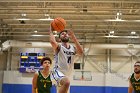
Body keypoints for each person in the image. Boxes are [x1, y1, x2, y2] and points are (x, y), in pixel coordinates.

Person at [49, 26, 83, 93]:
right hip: (57, 73)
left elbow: (81, 52)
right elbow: (52, 42)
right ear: (59, 39)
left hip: (67, 75)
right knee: (67, 82)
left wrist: (74, 37)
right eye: (62, 34)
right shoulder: (59, 47)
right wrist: (51, 31)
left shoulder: (73, 48)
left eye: (66, 33)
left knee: (66, 85)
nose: (65, 34)